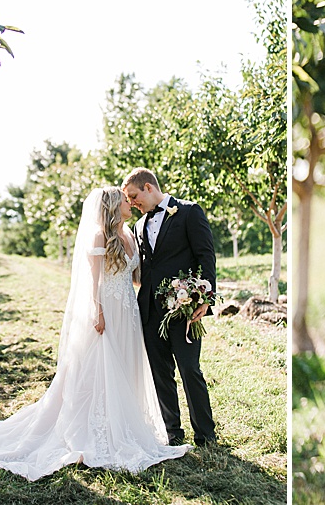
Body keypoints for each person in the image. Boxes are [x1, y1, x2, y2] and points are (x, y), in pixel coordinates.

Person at [0, 188, 189, 481]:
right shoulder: (99, 237)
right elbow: (92, 282)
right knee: (100, 371)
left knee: (125, 367)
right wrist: (98, 312)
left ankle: (125, 424)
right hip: (107, 313)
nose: (130, 203)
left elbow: (136, 276)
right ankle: (97, 429)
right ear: (112, 206)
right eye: (125, 200)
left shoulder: (130, 236)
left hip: (129, 314)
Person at [121, 168, 218, 447]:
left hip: (183, 309)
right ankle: (172, 432)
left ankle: (205, 434)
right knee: (160, 373)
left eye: (134, 196)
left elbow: (205, 256)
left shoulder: (188, 212)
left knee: (189, 369)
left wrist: (205, 299)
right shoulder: (138, 227)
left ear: (149, 187)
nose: (132, 203)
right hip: (149, 311)